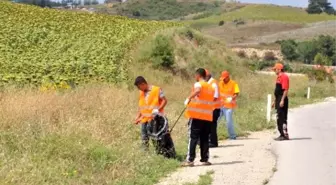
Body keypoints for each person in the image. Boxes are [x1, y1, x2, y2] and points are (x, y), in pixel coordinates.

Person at [182, 68, 214, 167]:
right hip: (207, 116)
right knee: (204, 138)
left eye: (195, 76)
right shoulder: (210, 87)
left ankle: (190, 160)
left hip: (197, 116)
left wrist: (188, 98)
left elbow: (198, 90)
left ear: (198, 75)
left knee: (193, 138)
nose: (195, 77)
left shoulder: (198, 84)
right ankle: (205, 159)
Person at [134, 76, 168, 149]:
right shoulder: (141, 92)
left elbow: (165, 101)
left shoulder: (157, 89)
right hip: (144, 119)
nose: (139, 89)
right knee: (144, 138)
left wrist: (158, 109)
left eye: (139, 87)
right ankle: (145, 154)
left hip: (154, 119)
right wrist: (138, 116)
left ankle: (159, 153)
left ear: (143, 84)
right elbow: (141, 106)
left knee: (154, 138)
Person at [218, 71, 240, 140]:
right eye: (222, 78)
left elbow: (236, 93)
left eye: (224, 78)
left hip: (229, 106)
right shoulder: (220, 83)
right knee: (215, 121)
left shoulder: (233, 83)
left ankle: (232, 136)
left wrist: (232, 98)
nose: (223, 80)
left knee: (228, 121)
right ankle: (211, 137)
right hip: (220, 105)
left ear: (228, 77)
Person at [272, 63, 290, 141]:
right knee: (279, 117)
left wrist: (282, 100)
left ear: (279, 69)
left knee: (282, 117)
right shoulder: (278, 77)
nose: (274, 71)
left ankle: (284, 135)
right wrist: (274, 101)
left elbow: (285, 89)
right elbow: (277, 91)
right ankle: (282, 134)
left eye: (275, 69)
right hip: (278, 99)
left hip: (282, 99)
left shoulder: (284, 77)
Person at [205, 69, 221, 148]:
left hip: (214, 108)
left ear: (207, 76)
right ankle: (211, 141)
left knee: (212, 126)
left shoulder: (213, 83)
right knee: (210, 125)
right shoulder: (209, 83)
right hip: (212, 108)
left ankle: (213, 143)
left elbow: (215, 96)